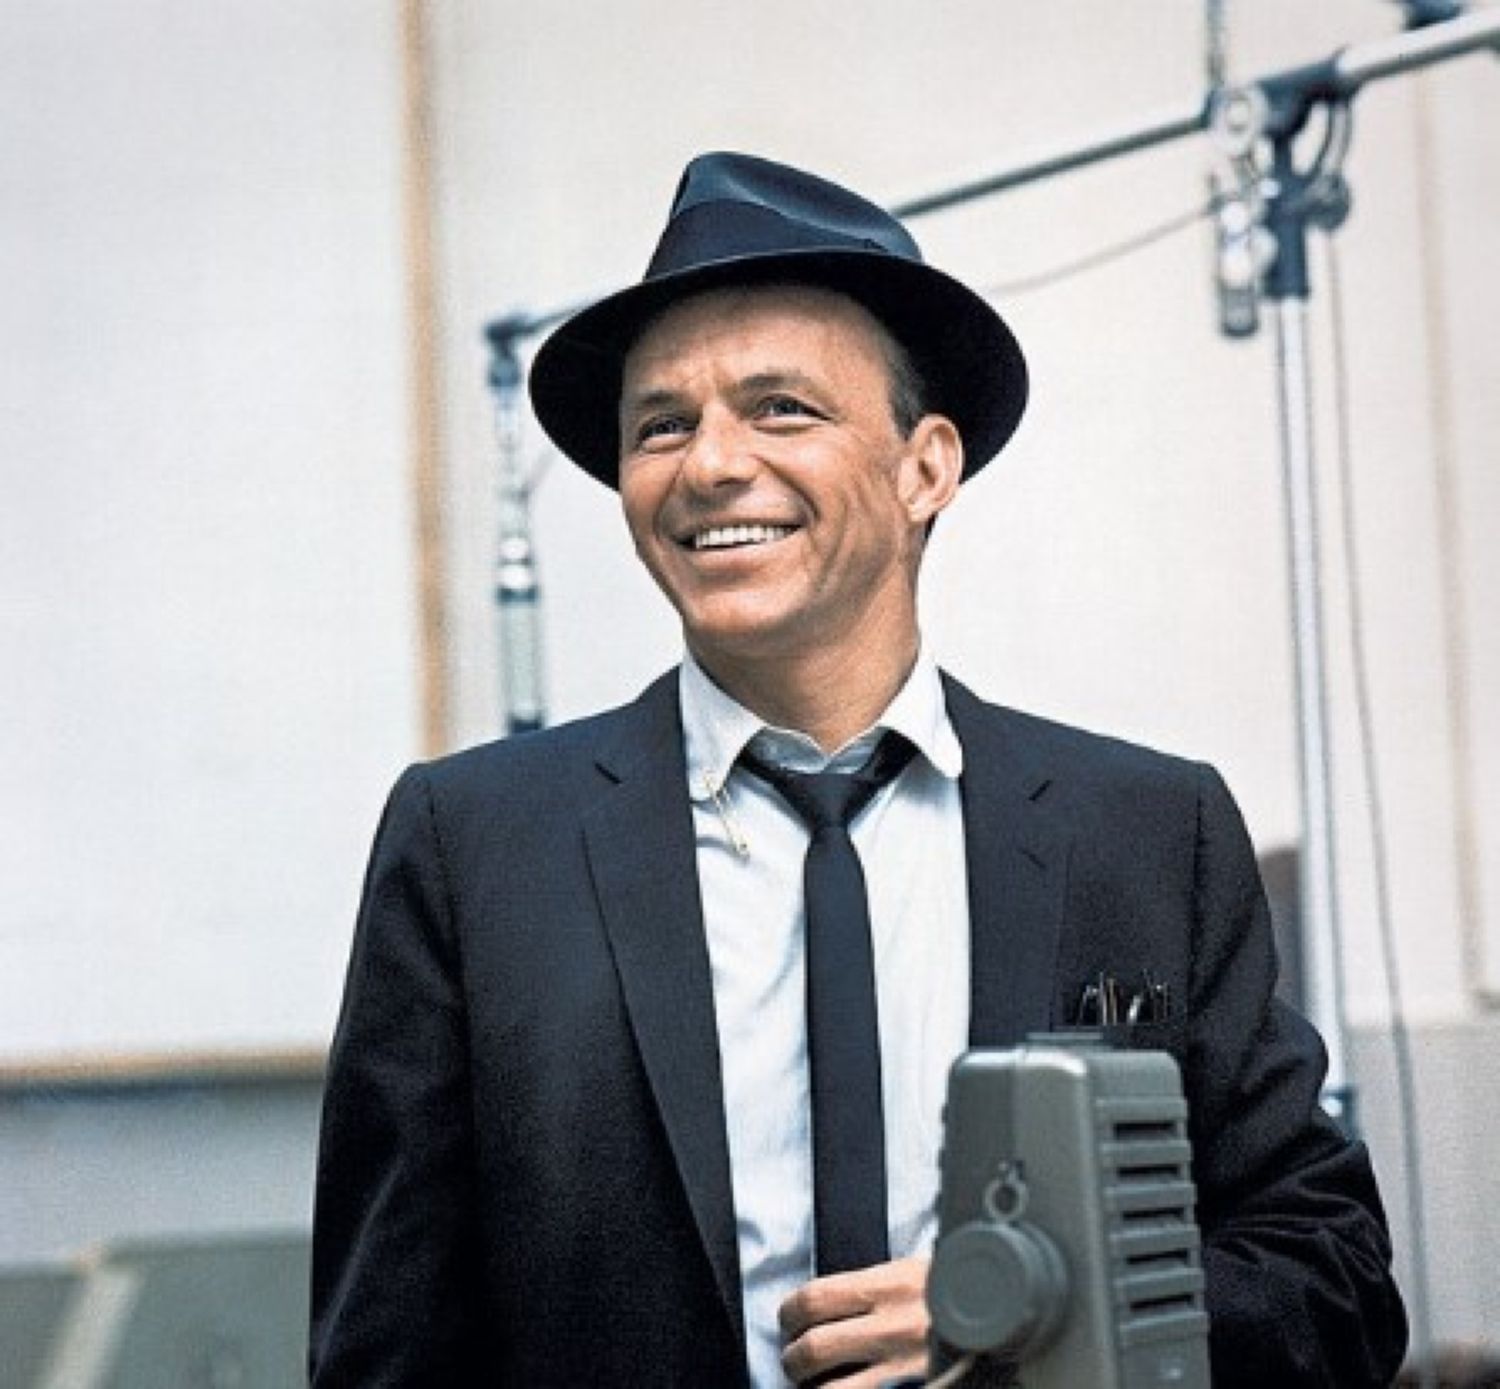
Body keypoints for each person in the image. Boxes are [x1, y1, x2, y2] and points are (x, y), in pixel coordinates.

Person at [310, 151, 1407, 1387]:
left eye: (780, 408)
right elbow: (383, 1349)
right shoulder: (474, 850)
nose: (710, 464)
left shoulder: (1146, 834)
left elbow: (1334, 1279)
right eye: (662, 424)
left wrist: (1050, 1316)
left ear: (925, 467)